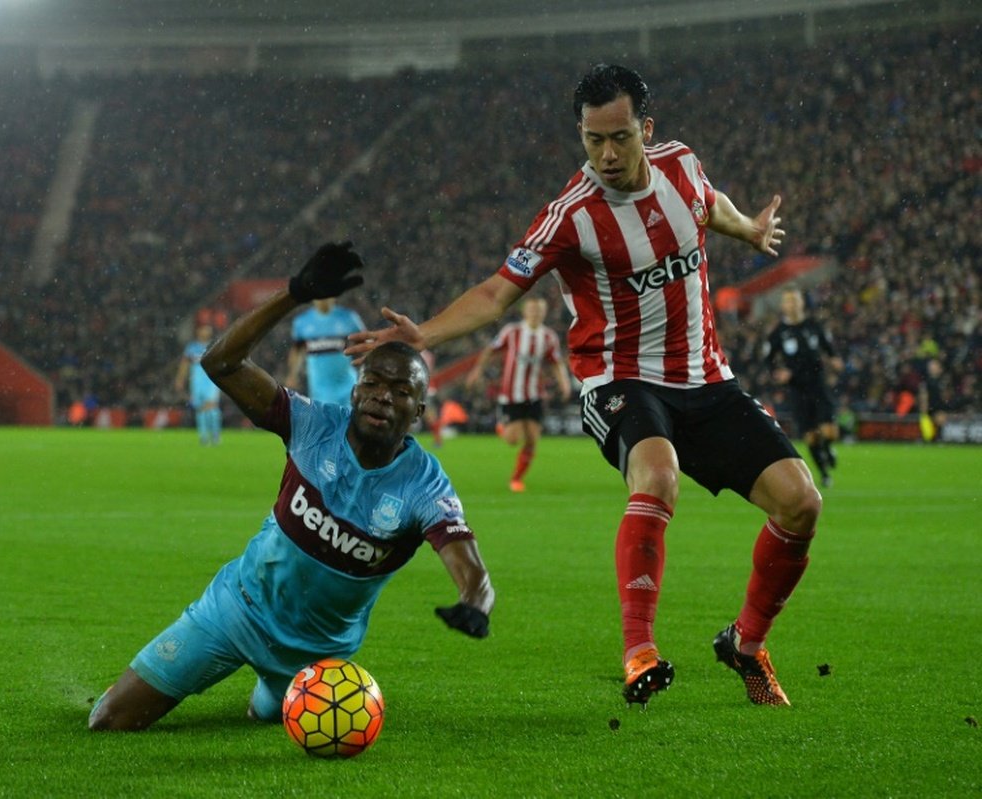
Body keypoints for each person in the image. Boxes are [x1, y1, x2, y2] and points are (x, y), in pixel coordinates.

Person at [348, 64, 822, 707]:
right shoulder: (572, 214)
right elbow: (497, 291)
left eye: (620, 137)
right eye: (592, 139)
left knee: (801, 503)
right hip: (620, 379)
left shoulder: (681, 165)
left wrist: (748, 229)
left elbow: (711, 207)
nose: (605, 153)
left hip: (707, 377)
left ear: (645, 130)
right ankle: (639, 652)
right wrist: (423, 336)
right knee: (657, 476)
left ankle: (745, 644)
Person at [90, 242, 494, 731]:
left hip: (315, 655)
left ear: (418, 413)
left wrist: (474, 603)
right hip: (235, 610)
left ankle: (269, 695)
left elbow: (468, 565)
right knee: (108, 721)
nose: (383, 396)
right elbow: (220, 364)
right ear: (355, 389)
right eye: (374, 382)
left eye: (401, 390)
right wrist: (293, 294)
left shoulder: (424, 485)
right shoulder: (311, 423)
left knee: (269, 718)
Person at [465, 297, 572, 492]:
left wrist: (564, 382)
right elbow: (490, 350)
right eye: (532, 310)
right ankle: (501, 427)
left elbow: (556, 362)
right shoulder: (512, 332)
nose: (535, 314)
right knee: (513, 440)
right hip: (510, 394)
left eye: (539, 311)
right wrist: (477, 370)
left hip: (535, 394)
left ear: (544, 313)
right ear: (525, 312)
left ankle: (516, 479)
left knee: (532, 439)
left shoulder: (549, 337)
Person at [763, 287, 844, 487]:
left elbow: (828, 347)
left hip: (818, 384)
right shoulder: (779, 333)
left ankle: (828, 448)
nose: (792, 304)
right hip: (797, 389)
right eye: (788, 301)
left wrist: (834, 359)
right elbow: (768, 360)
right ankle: (824, 472)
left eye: (795, 300)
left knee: (830, 432)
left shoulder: (814, 326)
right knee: (811, 437)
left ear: (802, 303)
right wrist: (778, 373)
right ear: (783, 306)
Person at [286, 296, 365, 405]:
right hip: (319, 390)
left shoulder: (348, 318)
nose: (323, 300)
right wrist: (292, 374)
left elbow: (365, 344)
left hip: (347, 387)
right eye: (319, 296)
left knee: (349, 419)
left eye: (326, 296)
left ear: (333, 297)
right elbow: (297, 351)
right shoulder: (302, 322)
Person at [174, 323, 222, 445]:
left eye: (208, 329)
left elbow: (221, 363)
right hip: (197, 380)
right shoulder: (192, 347)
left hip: (211, 380)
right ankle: (204, 437)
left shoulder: (214, 346)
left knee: (212, 407)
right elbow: (184, 364)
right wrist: (180, 379)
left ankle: (216, 436)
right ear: (198, 331)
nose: (206, 331)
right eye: (203, 329)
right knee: (200, 409)